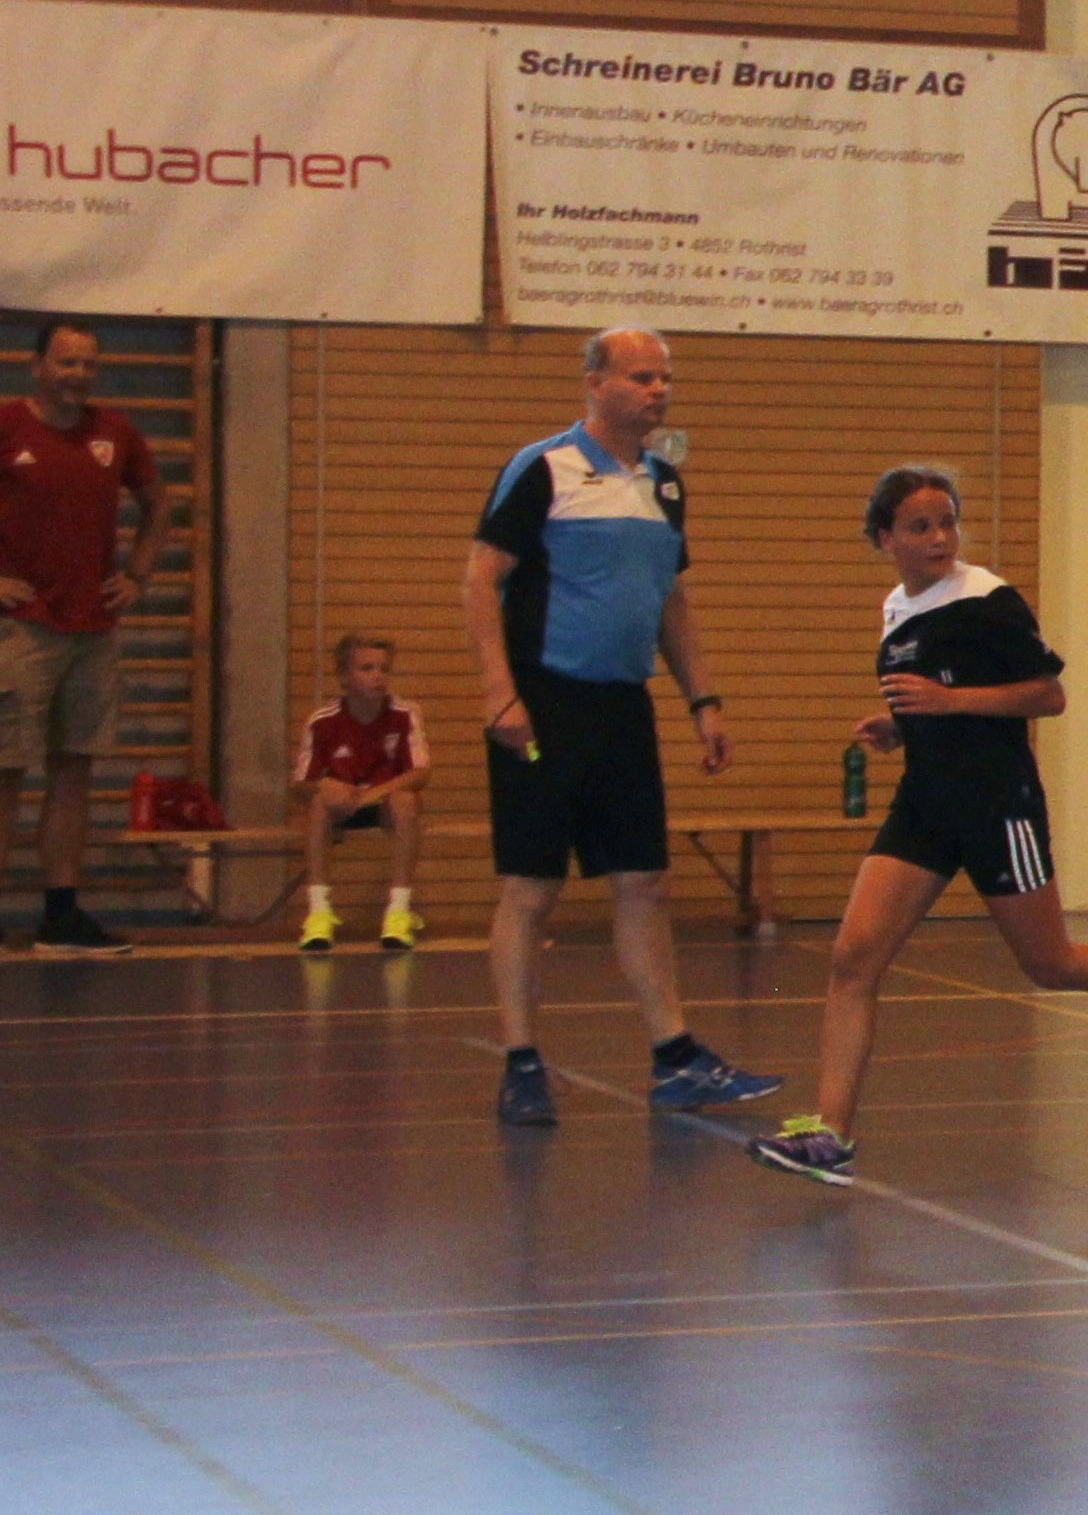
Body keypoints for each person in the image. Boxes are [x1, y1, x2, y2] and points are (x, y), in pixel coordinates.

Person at [749, 466, 1088, 1182]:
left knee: (1052, 964)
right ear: (885, 539)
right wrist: (903, 725)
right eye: (921, 527)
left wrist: (949, 703)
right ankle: (831, 1134)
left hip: (997, 803)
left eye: (947, 522)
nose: (940, 537)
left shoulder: (987, 599)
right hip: (926, 804)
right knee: (853, 959)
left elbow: (1047, 696)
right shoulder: (898, 608)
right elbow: (938, 695)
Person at [462, 327, 775, 1131]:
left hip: (622, 706)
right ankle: (521, 1064)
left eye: (664, 377)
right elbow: (481, 579)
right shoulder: (543, 469)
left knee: (643, 881)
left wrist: (704, 700)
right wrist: (499, 695)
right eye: (640, 377)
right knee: (533, 888)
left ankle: (675, 1056)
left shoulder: (665, 485)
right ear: (595, 383)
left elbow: (671, 601)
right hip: (542, 701)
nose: (657, 390)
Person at [1, 316, 174, 955]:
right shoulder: (8, 425)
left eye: (88, 364)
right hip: (21, 630)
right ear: (37, 366)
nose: (79, 374)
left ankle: (61, 913)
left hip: (92, 629)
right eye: (67, 362)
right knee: (5, 772)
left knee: (73, 770)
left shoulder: (115, 432)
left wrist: (138, 575)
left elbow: (158, 503)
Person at [293, 631, 430, 954]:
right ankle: (319, 912)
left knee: (406, 802)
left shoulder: (405, 714)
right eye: (367, 668)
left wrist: (373, 794)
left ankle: (398, 912)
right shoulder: (322, 721)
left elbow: (421, 773)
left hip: (383, 804)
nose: (378, 676)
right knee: (317, 805)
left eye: (384, 668)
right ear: (344, 676)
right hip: (342, 807)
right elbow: (299, 786)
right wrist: (323, 786)